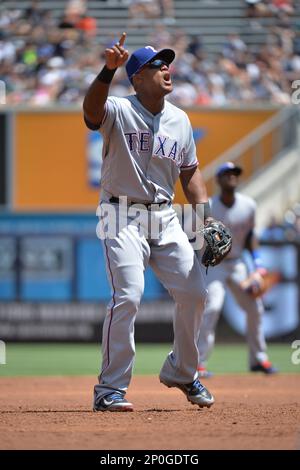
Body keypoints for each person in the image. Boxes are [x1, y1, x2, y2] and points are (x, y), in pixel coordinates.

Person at [83, 32, 218, 412]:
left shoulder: (180, 119)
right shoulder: (119, 109)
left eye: (167, 64)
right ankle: (110, 388)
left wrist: (203, 217)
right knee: (128, 295)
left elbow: (190, 173)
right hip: (119, 214)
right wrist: (107, 71)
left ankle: (182, 370)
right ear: (137, 77)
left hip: (165, 215)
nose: (166, 69)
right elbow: (91, 113)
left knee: (194, 293)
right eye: (157, 65)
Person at [196, 162, 278, 377]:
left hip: (238, 263)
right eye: (227, 174)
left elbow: (250, 236)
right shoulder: (209, 207)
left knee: (255, 308)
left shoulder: (248, 205)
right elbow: (193, 239)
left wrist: (258, 266)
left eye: (235, 173)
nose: (232, 177)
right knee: (212, 308)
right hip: (213, 264)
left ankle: (259, 360)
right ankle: (199, 363)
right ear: (218, 179)